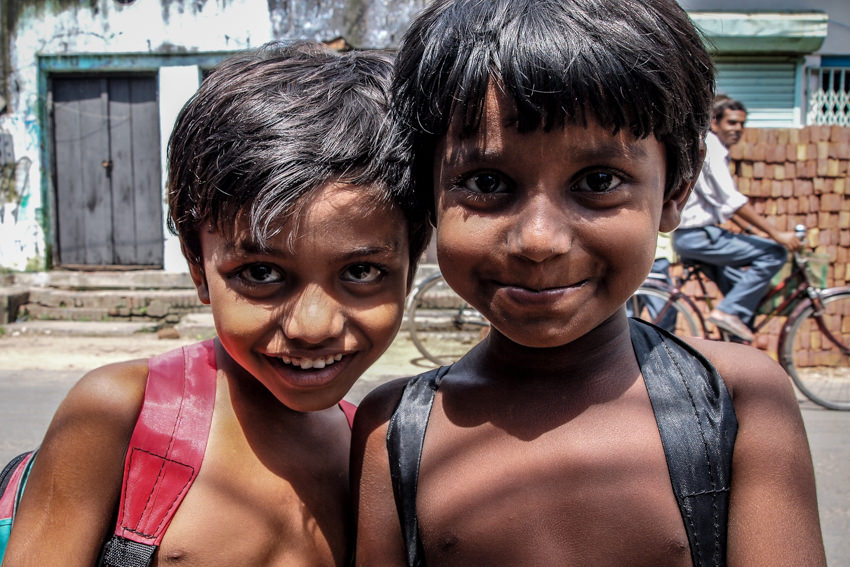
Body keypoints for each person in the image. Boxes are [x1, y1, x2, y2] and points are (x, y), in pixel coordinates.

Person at [351, 1, 825, 566]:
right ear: (430, 195)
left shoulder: (740, 403)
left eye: (598, 181)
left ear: (676, 188)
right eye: (485, 181)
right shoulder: (395, 430)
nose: (539, 240)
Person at [3, 41, 429, 566]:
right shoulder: (121, 411)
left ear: (410, 267)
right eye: (261, 273)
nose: (312, 326)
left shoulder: (374, 449)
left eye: (361, 272)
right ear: (197, 266)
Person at [672, 97, 802, 342]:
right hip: (699, 237)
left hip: (694, 237)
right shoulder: (712, 147)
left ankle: (731, 339)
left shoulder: (708, 147)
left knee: (738, 288)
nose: (737, 129)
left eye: (742, 124)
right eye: (731, 122)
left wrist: (754, 231)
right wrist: (777, 235)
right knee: (774, 253)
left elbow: (721, 205)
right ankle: (728, 313)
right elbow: (732, 200)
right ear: (715, 123)